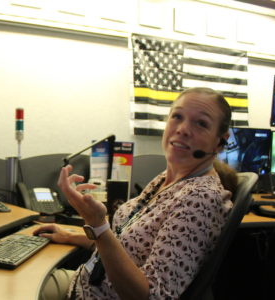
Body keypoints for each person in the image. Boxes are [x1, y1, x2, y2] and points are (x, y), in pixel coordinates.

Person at [34, 87, 238, 300]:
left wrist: (98, 224)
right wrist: (70, 236)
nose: (183, 129)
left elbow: (152, 296)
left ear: (220, 141)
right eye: (177, 116)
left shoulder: (200, 198)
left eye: (201, 123)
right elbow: (126, 246)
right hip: (81, 287)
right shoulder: (166, 180)